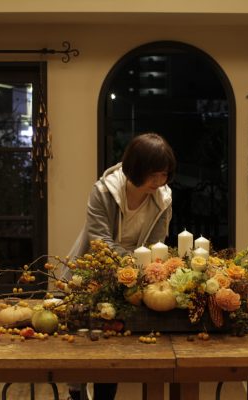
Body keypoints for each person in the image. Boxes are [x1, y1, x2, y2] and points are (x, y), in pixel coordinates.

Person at [66, 132, 176, 400]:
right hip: (91, 270)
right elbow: (99, 241)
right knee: (80, 344)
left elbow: (155, 244)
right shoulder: (104, 192)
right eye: (153, 174)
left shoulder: (162, 199)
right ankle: (75, 394)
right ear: (136, 168)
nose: (158, 182)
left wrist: (143, 268)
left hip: (130, 276)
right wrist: (135, 263)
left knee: (111, 346)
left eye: (163, 175)